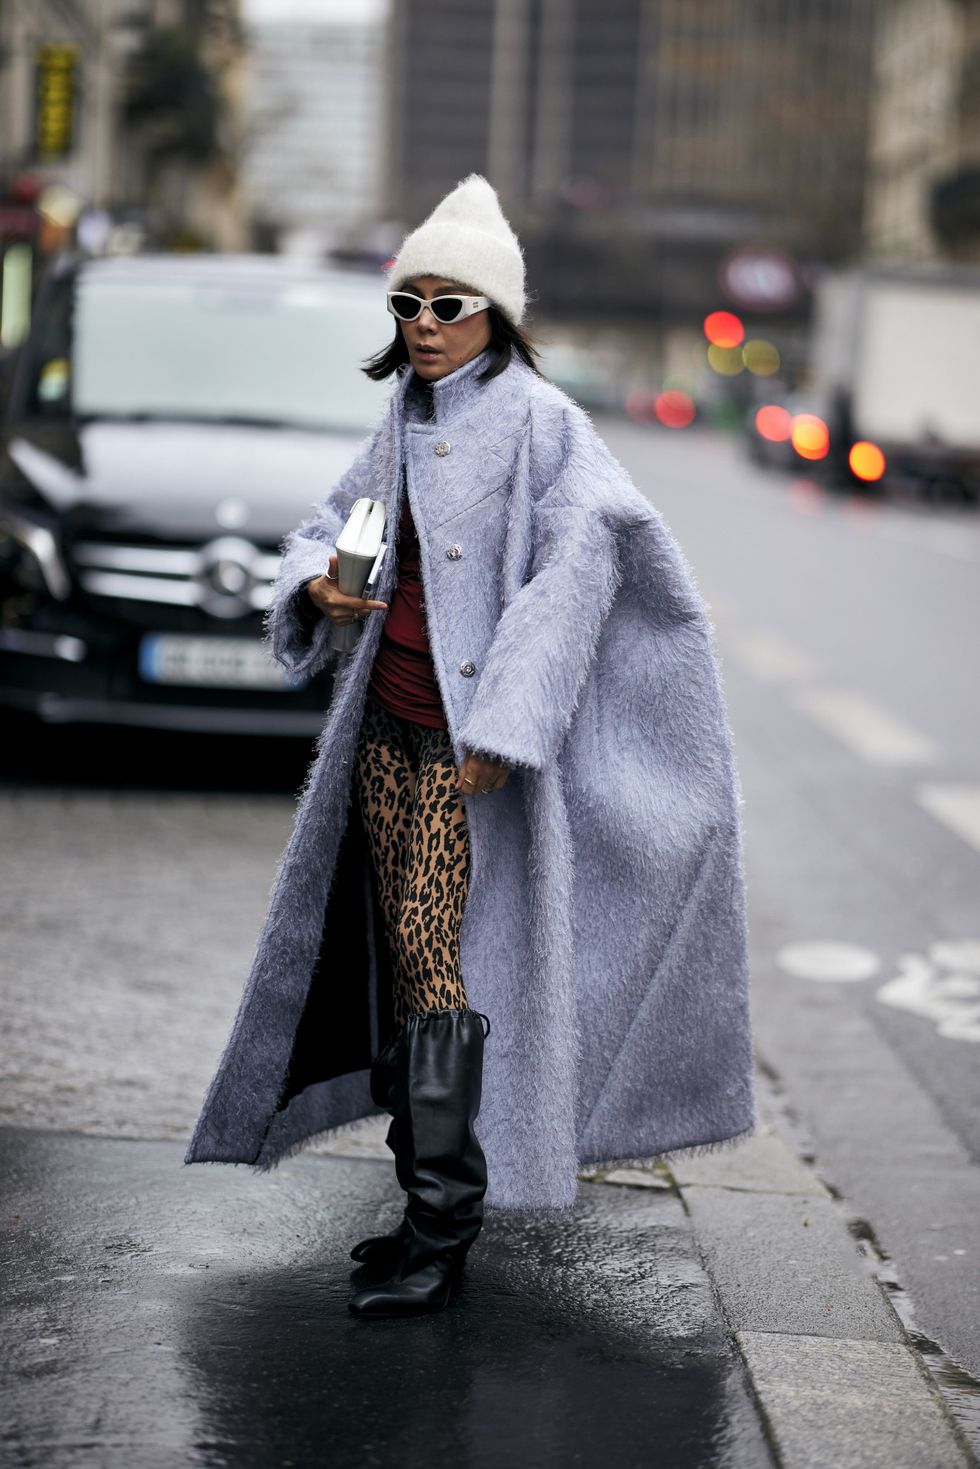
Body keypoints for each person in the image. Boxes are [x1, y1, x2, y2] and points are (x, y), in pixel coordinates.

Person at [184, 175, 756, 1323]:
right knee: (406, 967)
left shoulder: (546, 424)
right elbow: (321, 525)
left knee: (443, 975)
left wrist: (505, 721)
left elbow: (578, 570)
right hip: (387, 737)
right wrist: (316, 582)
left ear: (497, 312)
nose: (427, 324)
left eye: (451, 304)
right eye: (409, 302)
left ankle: (444, 1228)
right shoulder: (402, 420)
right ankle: (418, 1209)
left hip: (467, 759)